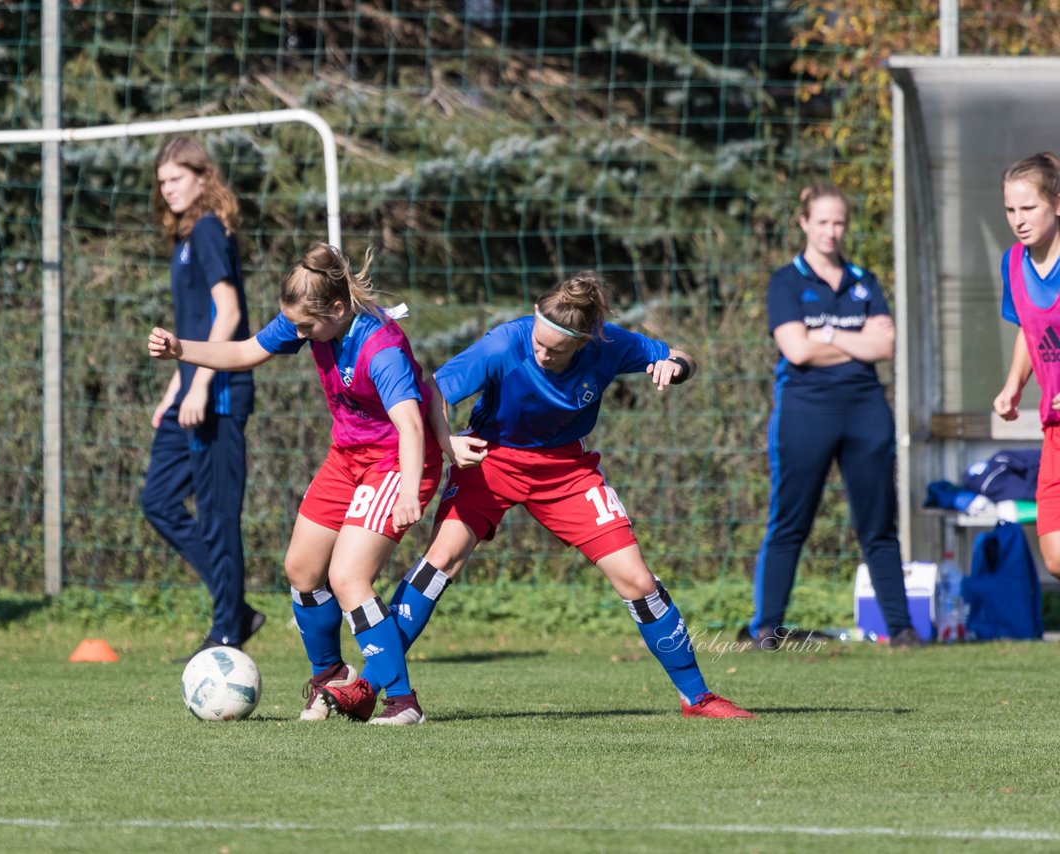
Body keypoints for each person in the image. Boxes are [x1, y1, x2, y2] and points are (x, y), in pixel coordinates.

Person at [386, 271, 756, 719]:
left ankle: (697, 698)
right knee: (440, 561)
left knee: (638, 581)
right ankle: (374, 682)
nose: (540, 352)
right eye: (538, 341)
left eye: (554, 349)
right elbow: (436, 390)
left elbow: (682, 357)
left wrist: (674, 367)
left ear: (583, 342)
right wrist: (449, 444)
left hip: (566, 471)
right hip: (493, 460)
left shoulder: (609, 344)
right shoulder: (506, 342)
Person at [149, 242, 444, 726]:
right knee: (302, 569)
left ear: (337, 308)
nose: (299, 334)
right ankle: (330, 677)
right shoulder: (313, 319)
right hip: (347, 457)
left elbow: (411, 426)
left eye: (306, 327)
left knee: (348, 577)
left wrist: (410, 491)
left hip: (397, 462)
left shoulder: (380, 348)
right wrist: (182, 350)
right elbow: (246, 350)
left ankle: (401, 701)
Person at [742, 183, 919, 649]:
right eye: (822, 221)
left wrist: (827, 336)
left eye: (839, 222)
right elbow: (796, 351)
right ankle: (767, 628)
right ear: (804, 223)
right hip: (805, 411)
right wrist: (853, 339)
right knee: (790, 521)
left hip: (866, 410)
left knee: (878, 524)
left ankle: (901, 629)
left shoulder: (865, 279)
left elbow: (885, 346)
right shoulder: (786, 281)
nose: (831, 231)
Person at [142, 137, 264, 663]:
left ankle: (226, 631)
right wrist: (175, 388)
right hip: (191, 389)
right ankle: (234, 606)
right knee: (158, 499)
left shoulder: (211, 229)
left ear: (201, 176)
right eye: (162, 181)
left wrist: (198, 385)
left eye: (176, 178)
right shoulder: (187, 238)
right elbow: (193, 324)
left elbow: (229, 313)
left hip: (217, 394)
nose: (167, 189)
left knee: (216, 515)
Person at [992, 152, 1060, 580]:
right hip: (1054, 427)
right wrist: (1013, 385)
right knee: (1055, 557)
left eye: (1028, 208)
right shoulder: (1013, 263)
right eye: (1010, 210)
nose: (1018, 219)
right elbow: (1028, 329)